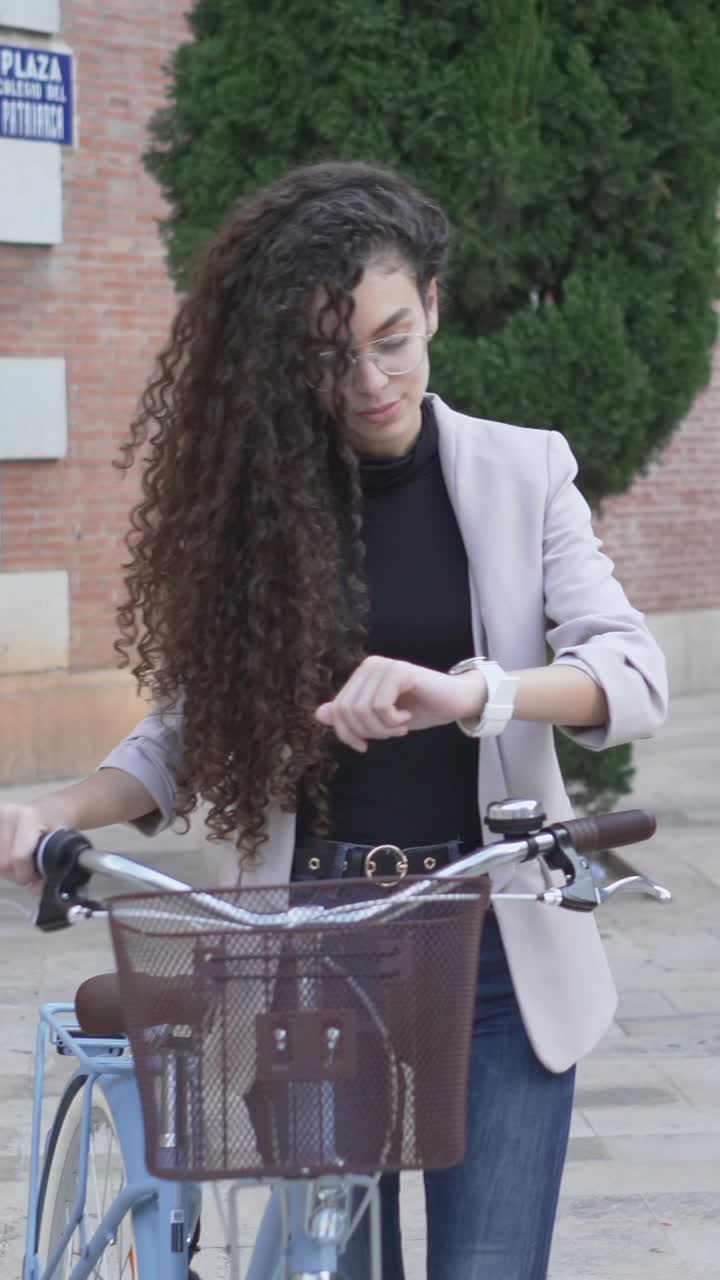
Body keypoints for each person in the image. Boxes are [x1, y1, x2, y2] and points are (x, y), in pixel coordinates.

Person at [0, 161, 667, 1278]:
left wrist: (474, 691)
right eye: (330, 355)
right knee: (333, 1267)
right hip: (311, 945)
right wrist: (60, 806)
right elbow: (185, 732)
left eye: (392, 339)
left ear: (433, 306)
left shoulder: (523, 470)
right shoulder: (262, 505)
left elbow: (632, 674)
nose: (370, 381)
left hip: (494, 940)